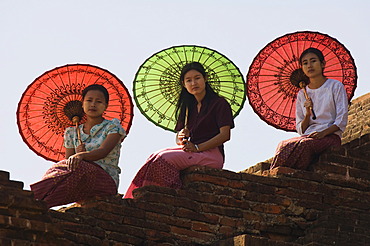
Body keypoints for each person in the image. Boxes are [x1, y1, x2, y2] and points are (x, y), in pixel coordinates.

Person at [124, 62, 234, 198]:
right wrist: (181, 136)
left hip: (211, 155)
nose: (194, 83)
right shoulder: (188, 107)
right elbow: (178, 139)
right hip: (192, 151)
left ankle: (161, 195)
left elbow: (225, 135)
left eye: (197, 78)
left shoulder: (219, 103)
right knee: (154, 156)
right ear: (184, 84)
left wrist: (198, 147)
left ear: (205, 79)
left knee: (163, 158)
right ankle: (135, 197)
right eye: (189, 80)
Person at [31, 84, 126, 208]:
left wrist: (82, 155)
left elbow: (103, 151)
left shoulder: (113, 127)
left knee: (82, 168)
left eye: (98, 102)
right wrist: (76, 155)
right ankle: (37, 198)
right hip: (81, 175)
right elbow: (69, 162)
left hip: (105, 179)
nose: (93, 104)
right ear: (82, 104)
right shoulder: (71, 132)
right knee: (58, 168)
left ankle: (39, 202)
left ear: (106, 106)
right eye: (89, 100)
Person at [270, 48, 348, 170]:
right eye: (305, 63)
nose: (309, 65)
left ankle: (295, 174)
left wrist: (323, 133)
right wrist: (307, 114)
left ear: (322, 64)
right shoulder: (302, 94)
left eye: (313, 61)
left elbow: (341, 120)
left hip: (330, 137)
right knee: (283, 145)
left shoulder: (335, 86)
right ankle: (276, 174)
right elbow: (301, 129)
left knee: (304, 146)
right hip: (308, 136)